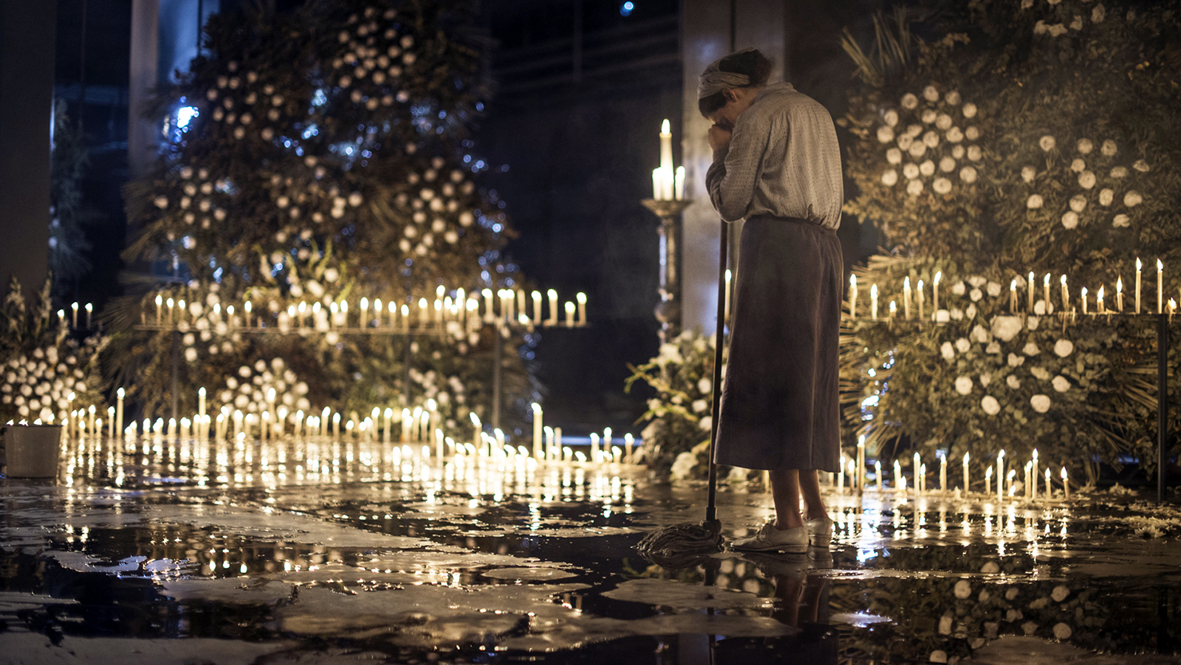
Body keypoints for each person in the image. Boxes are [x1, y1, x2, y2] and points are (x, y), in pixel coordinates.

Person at [698, 48, 843, 553]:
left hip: (779, 250)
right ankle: (816, 512)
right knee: (806, 377)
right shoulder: (815, 109)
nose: (724, 124)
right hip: (824, 249)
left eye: (721, 115)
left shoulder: (758, 116)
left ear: (734, 94)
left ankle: (787, 524)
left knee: (775, 376)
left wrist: (720, 153)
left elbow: (733, 203)